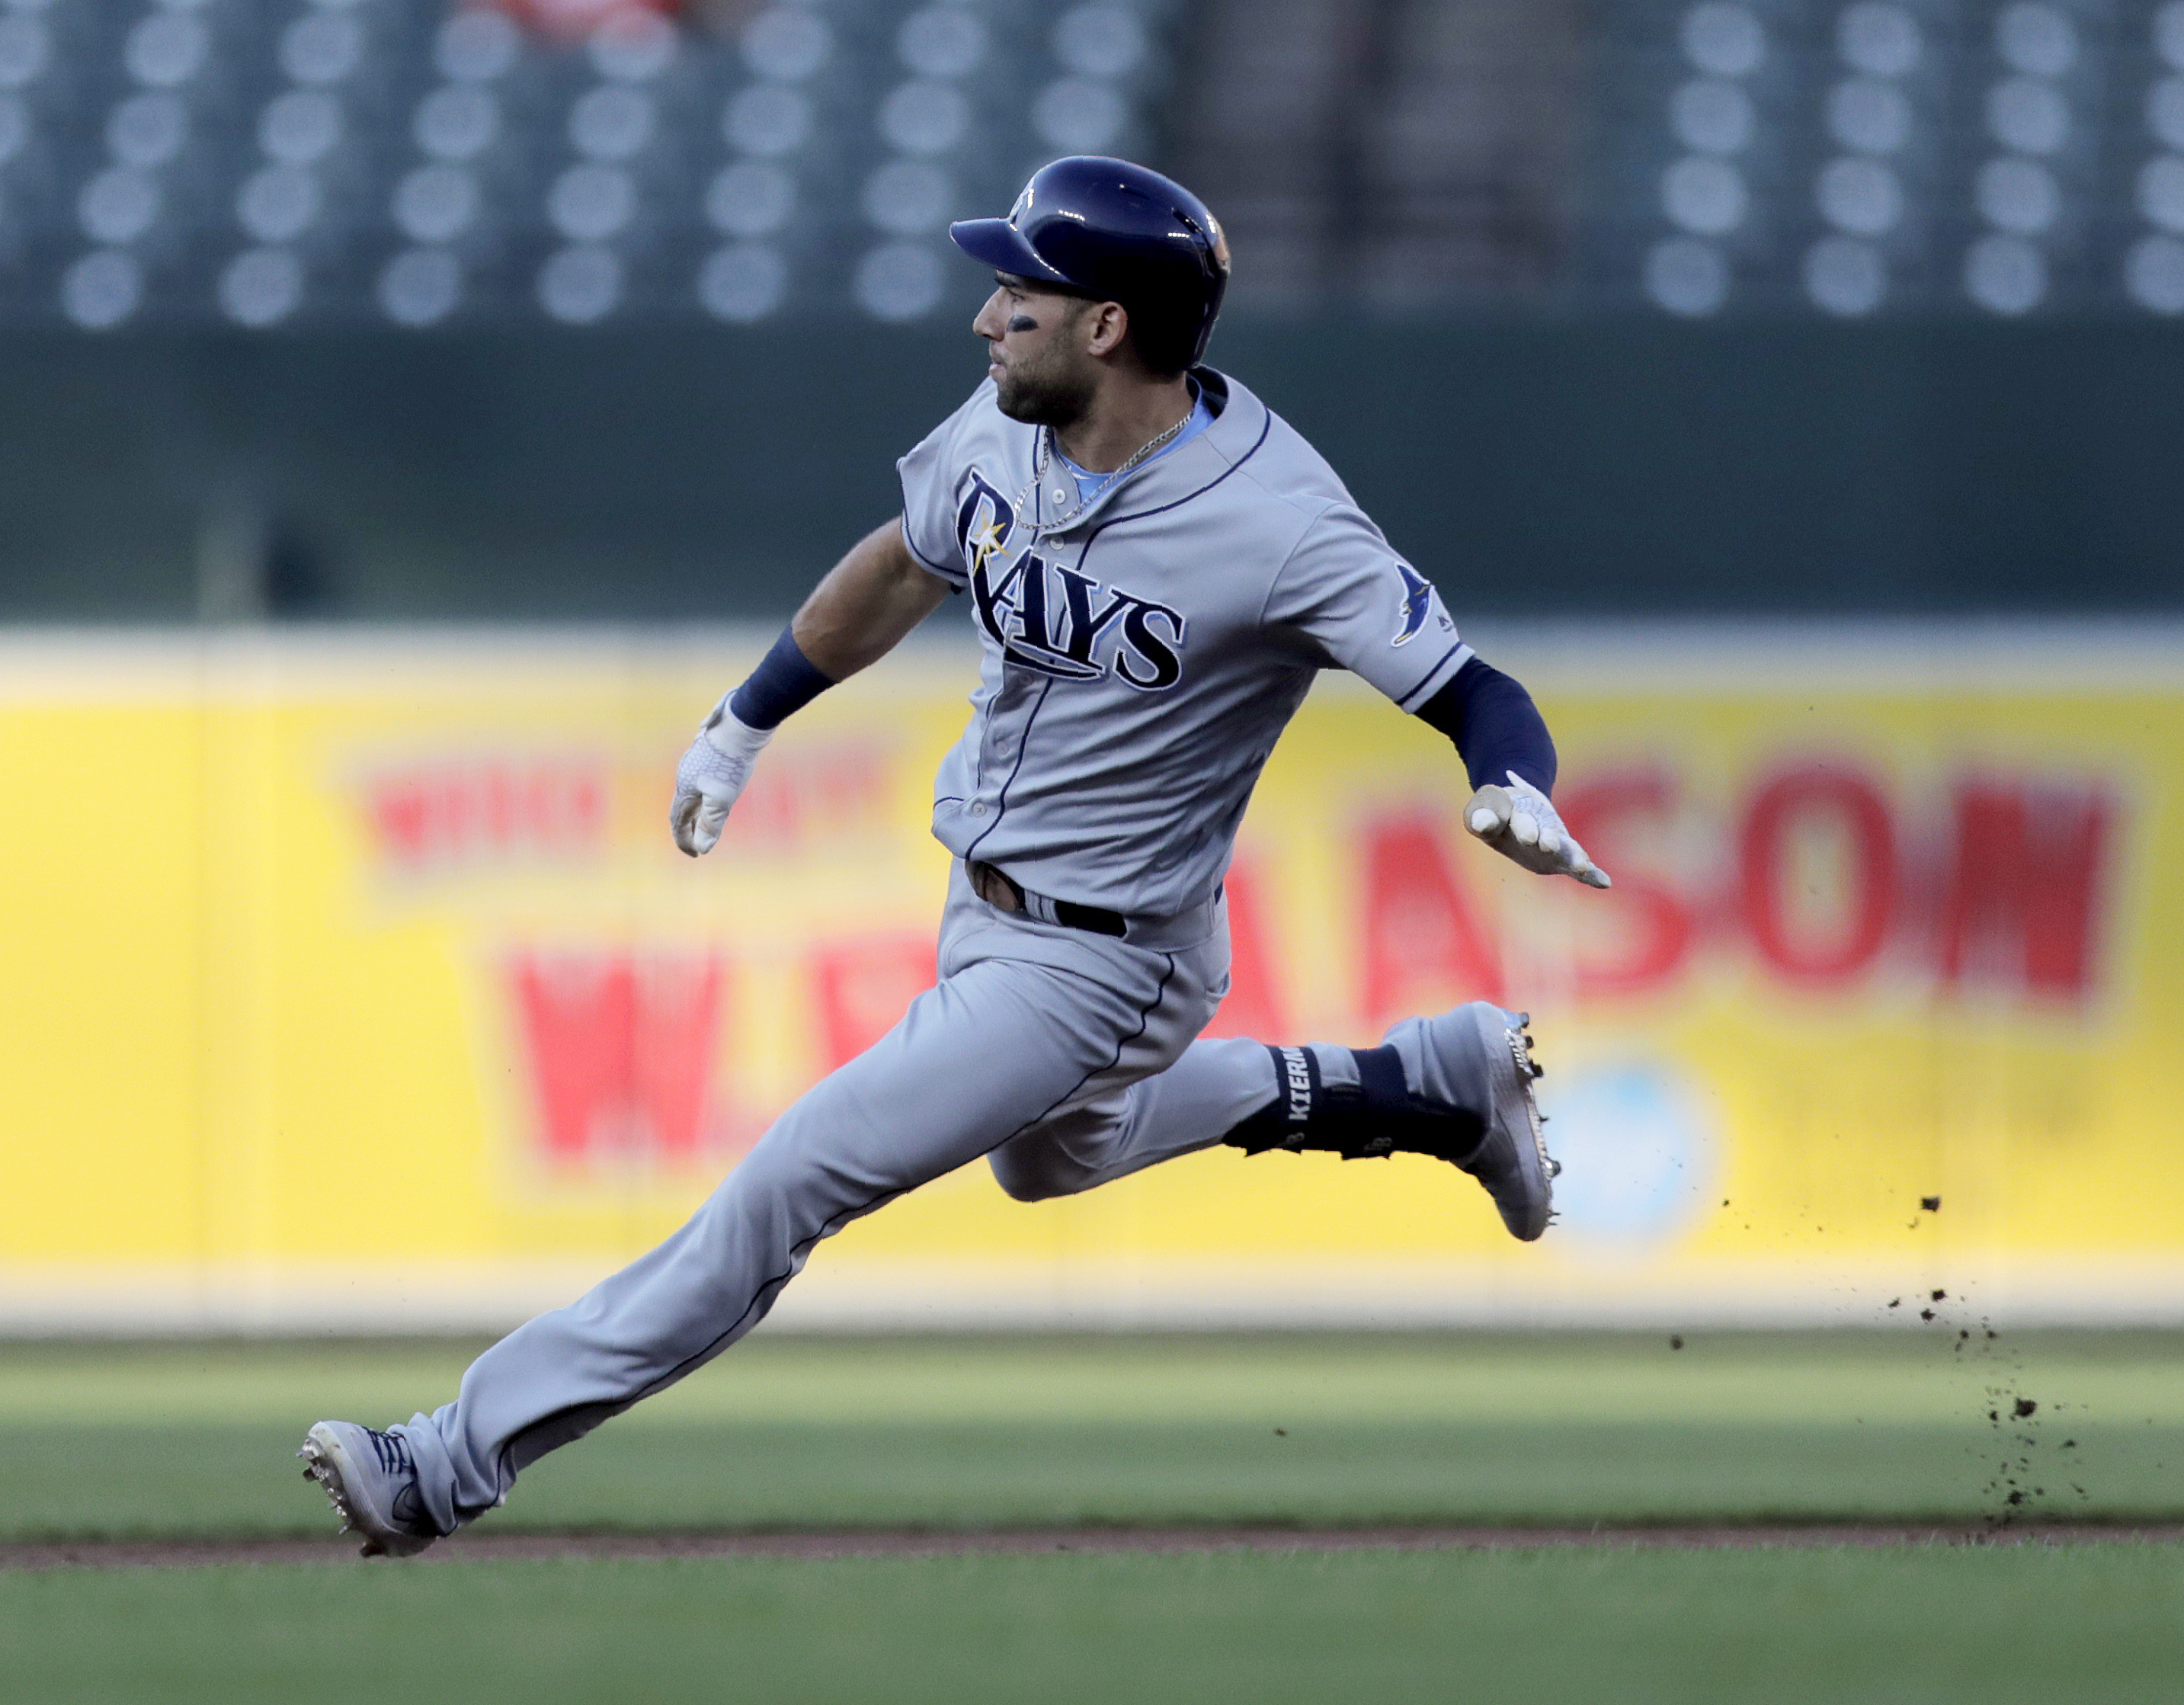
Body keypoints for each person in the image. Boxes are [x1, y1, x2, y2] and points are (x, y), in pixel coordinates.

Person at [299, 157, 1609, 1559]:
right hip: (991, 909)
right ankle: (1422, 1084)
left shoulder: (1283, 519)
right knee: (1053, 1162)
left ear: (1106, 326)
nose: (988, 318)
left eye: (1018, 291)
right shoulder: (1005, 426)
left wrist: (1510, 781)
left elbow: (1472, 684)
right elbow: (899, 565)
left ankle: (446, 1457)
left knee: (792, 1176)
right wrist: (746, 720)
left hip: (1101, 959)